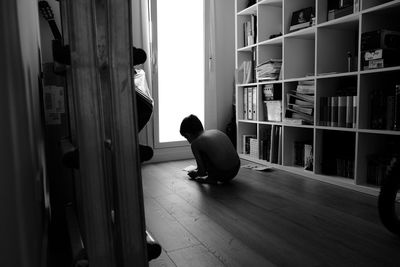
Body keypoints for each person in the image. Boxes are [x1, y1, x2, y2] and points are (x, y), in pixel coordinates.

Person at [180, 114, 241, 184]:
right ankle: (213, 175)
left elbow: (202, 172)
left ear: (189, 134)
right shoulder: (215, 131)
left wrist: (195, 173)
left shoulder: (195, 143)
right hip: (236, 168)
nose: (188, 141)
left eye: (186, 137)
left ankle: (211, 178)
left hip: (224, 174)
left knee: (202, 152)